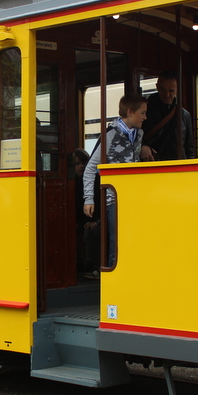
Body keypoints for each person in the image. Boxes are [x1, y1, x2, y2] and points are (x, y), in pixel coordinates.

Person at [82, 94, 147, 274]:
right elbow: (90, 169)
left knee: (131, 240)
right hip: (115, 199)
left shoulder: (139, 134)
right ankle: (114, 280)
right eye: (142, 113)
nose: (145, 117)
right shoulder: (110, 135)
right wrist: (89, 199)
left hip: (133, 198)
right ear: (130, 112)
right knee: (116, 242)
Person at [141, 71, 195, 161]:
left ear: (178, 88)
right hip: (153, 165)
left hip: (178, 166)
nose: (167, 95)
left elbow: (189, 148)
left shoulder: (185, 115)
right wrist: (142, 146)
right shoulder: (145, 112)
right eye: (163, 90)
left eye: (171, 91)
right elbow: (133, 137)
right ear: (157, 87)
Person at [72, 149, 100, 275]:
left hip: (95, 219)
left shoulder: (94, 181)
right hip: (80, 220)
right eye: (77, 164)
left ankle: (92, 267)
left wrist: (92, 220)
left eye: (83, 163)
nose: (81, 166)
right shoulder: (72, 183)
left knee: (91, 232)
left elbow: (99, 203)